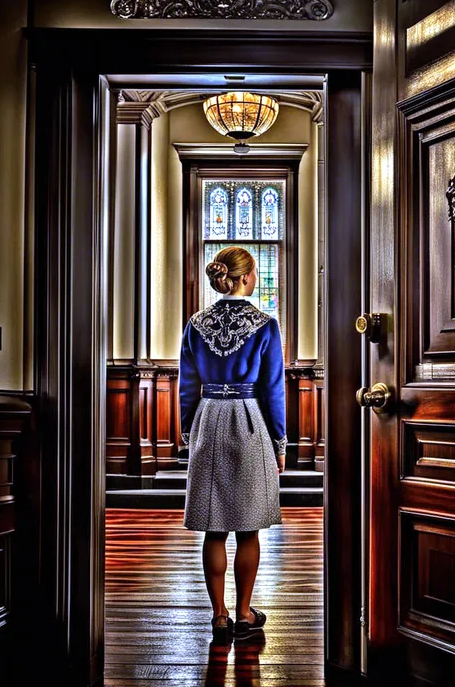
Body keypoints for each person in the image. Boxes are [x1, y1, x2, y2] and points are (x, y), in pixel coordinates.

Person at [178, 245, 287, 643]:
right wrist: (279, 442)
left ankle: (219, 616)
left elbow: (187, 384)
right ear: (245, 278)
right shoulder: (265, 325)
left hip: (208, 417)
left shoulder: (195, 323)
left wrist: (190, 431)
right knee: (248, 526)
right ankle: (244, 613)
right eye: (254, 273)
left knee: (214, 528)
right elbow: (273, 389)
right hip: (247, 419)